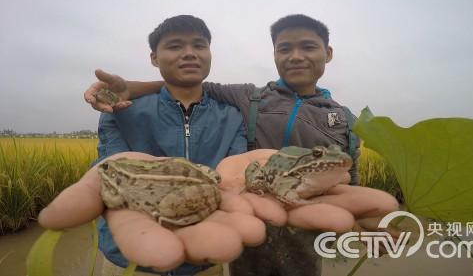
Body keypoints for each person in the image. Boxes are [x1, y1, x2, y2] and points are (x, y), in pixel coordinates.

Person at [83, 14, 400, 276]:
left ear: (327, 53)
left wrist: (370, 226)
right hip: (231, 239)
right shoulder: (250, 99)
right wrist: (131, 88)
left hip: (302, 233)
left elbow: (349, 184)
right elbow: (189, 83)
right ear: (274, 54)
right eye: (285, 48)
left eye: (308, 47)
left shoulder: (343, 118)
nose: (296, 56)